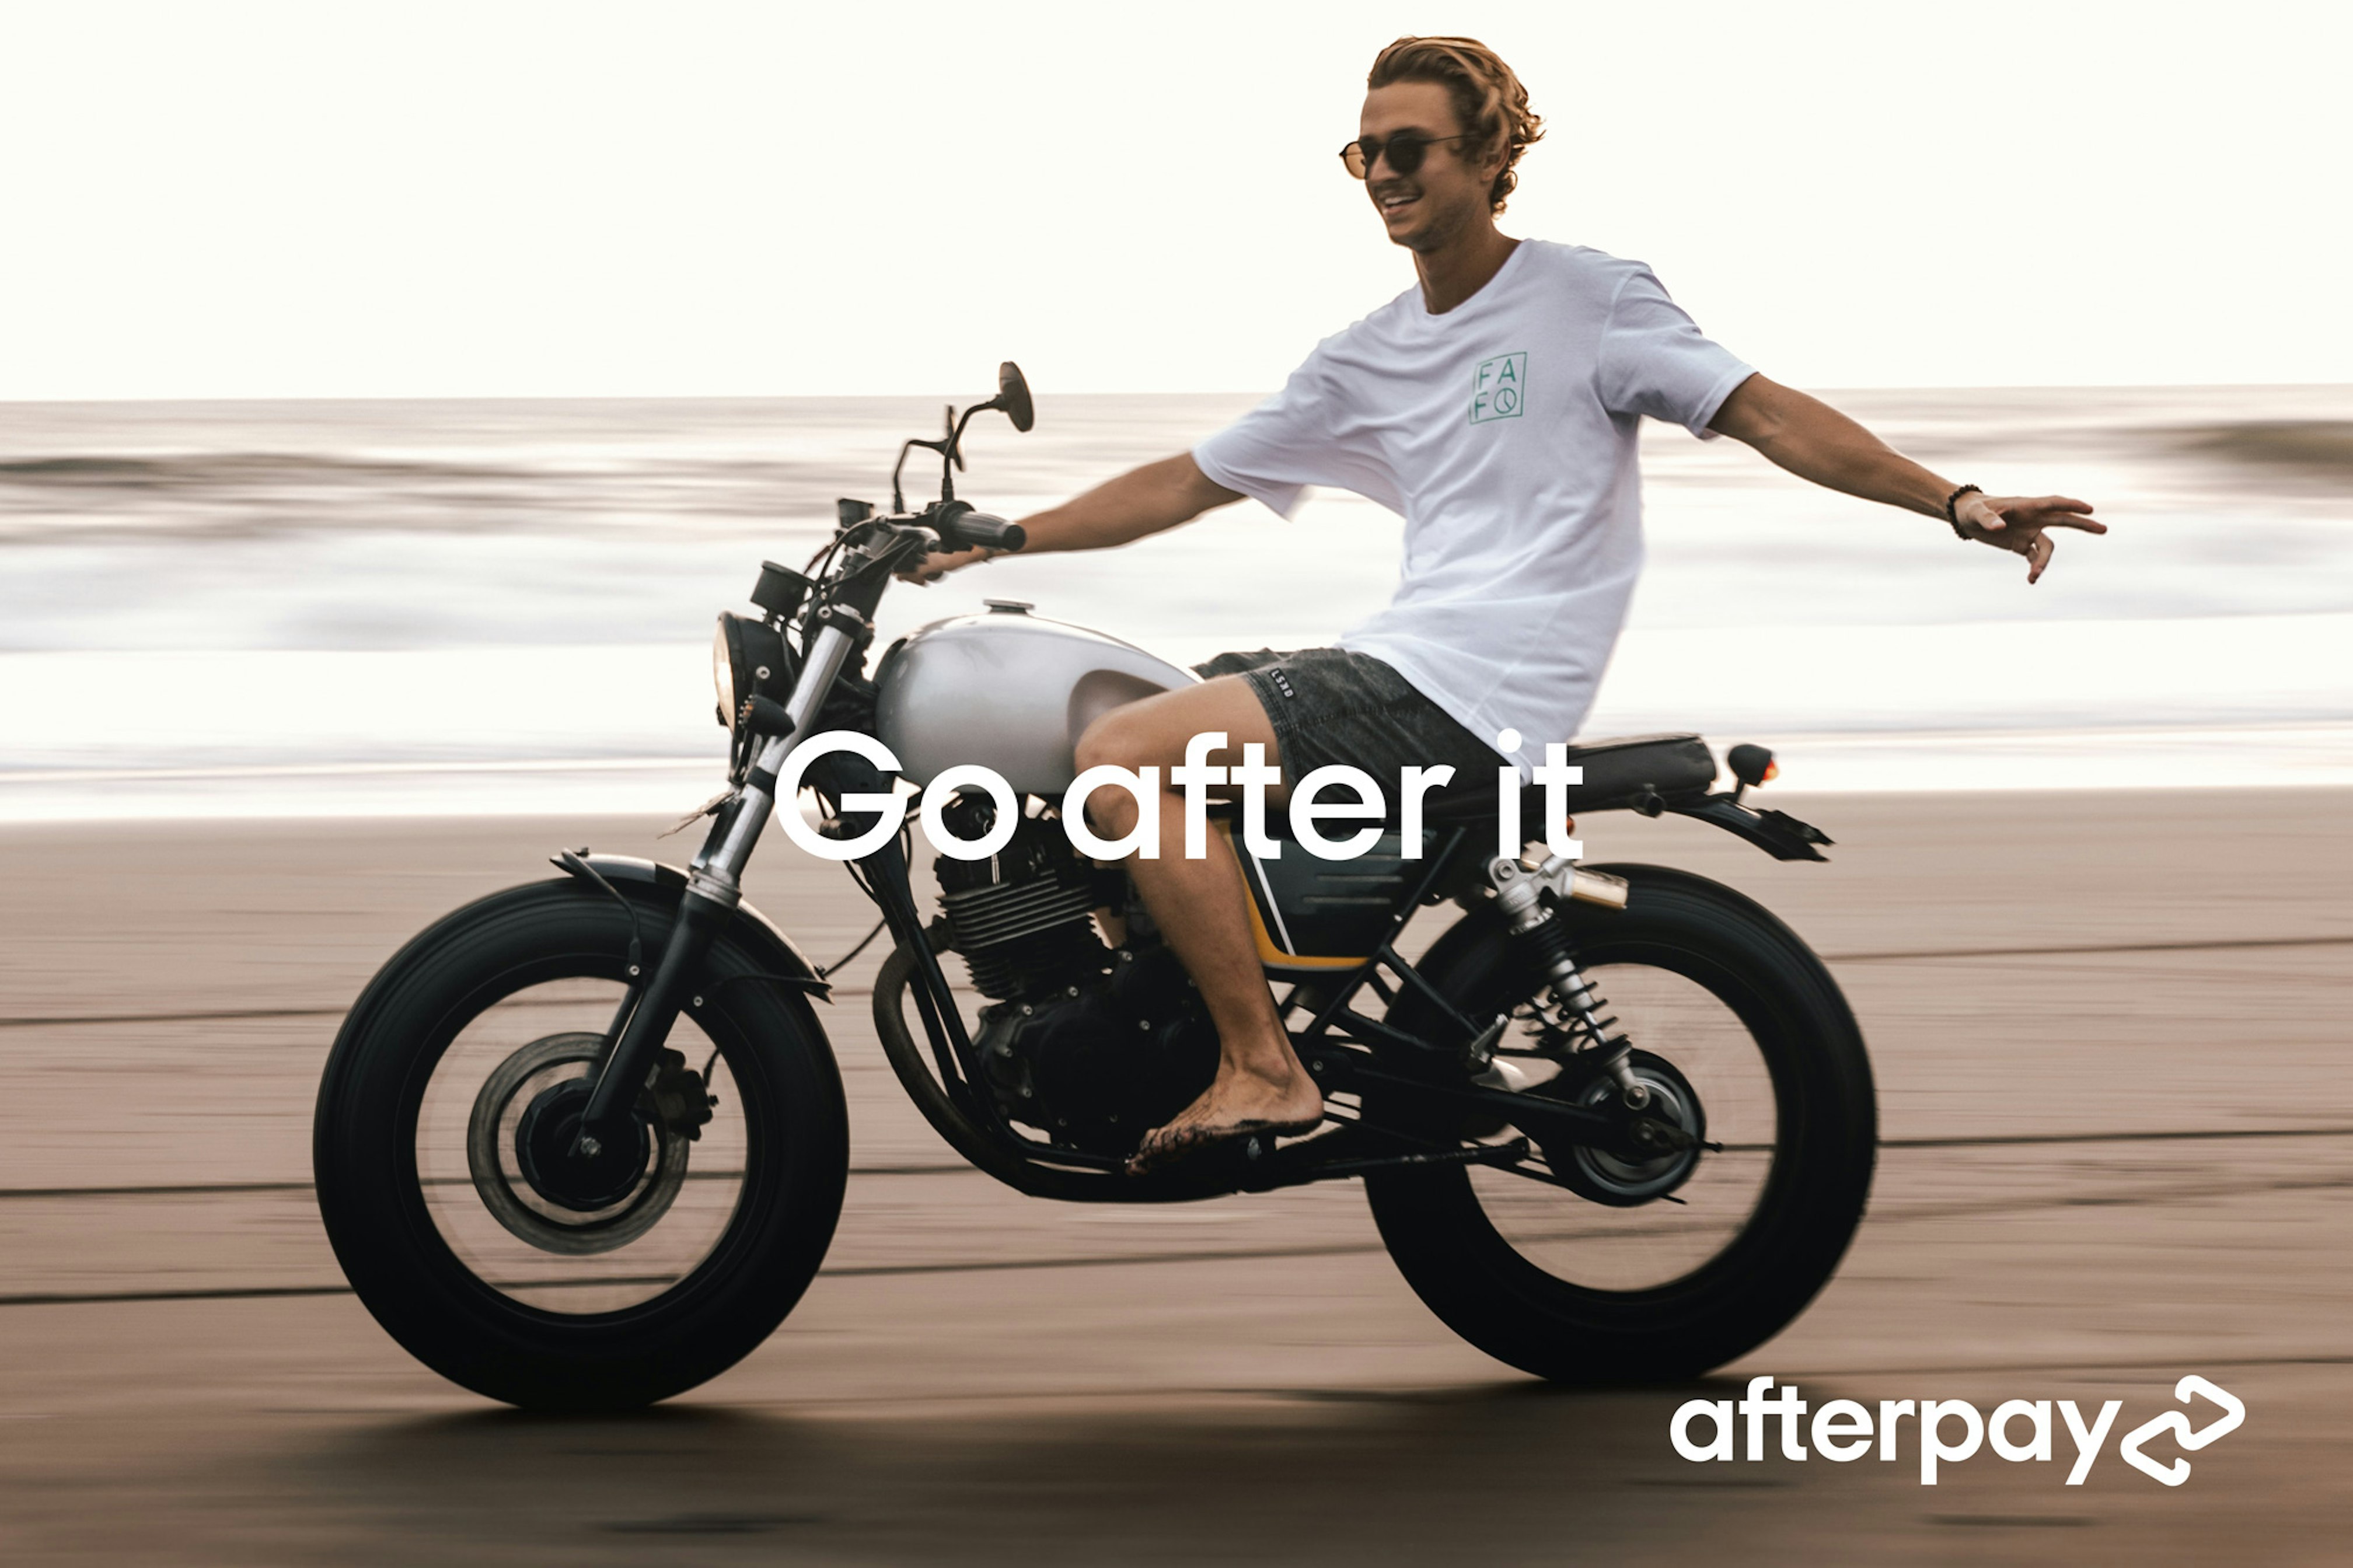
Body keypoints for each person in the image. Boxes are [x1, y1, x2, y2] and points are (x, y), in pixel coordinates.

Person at [904, 35, 2104, 1174]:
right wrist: (1002, 538)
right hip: (1410, 659)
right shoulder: (1367, 352)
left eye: (1409, 148)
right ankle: (1150, 1020)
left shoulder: (1587, 299)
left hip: (1476, 684)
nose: (1383, 173)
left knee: (1123, 756)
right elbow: (1190, 480)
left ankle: (1262, 1067)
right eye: (1364, 153)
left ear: (1488, 157)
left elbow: (1767, 413)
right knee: (1146, 706)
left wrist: (1955, 502)